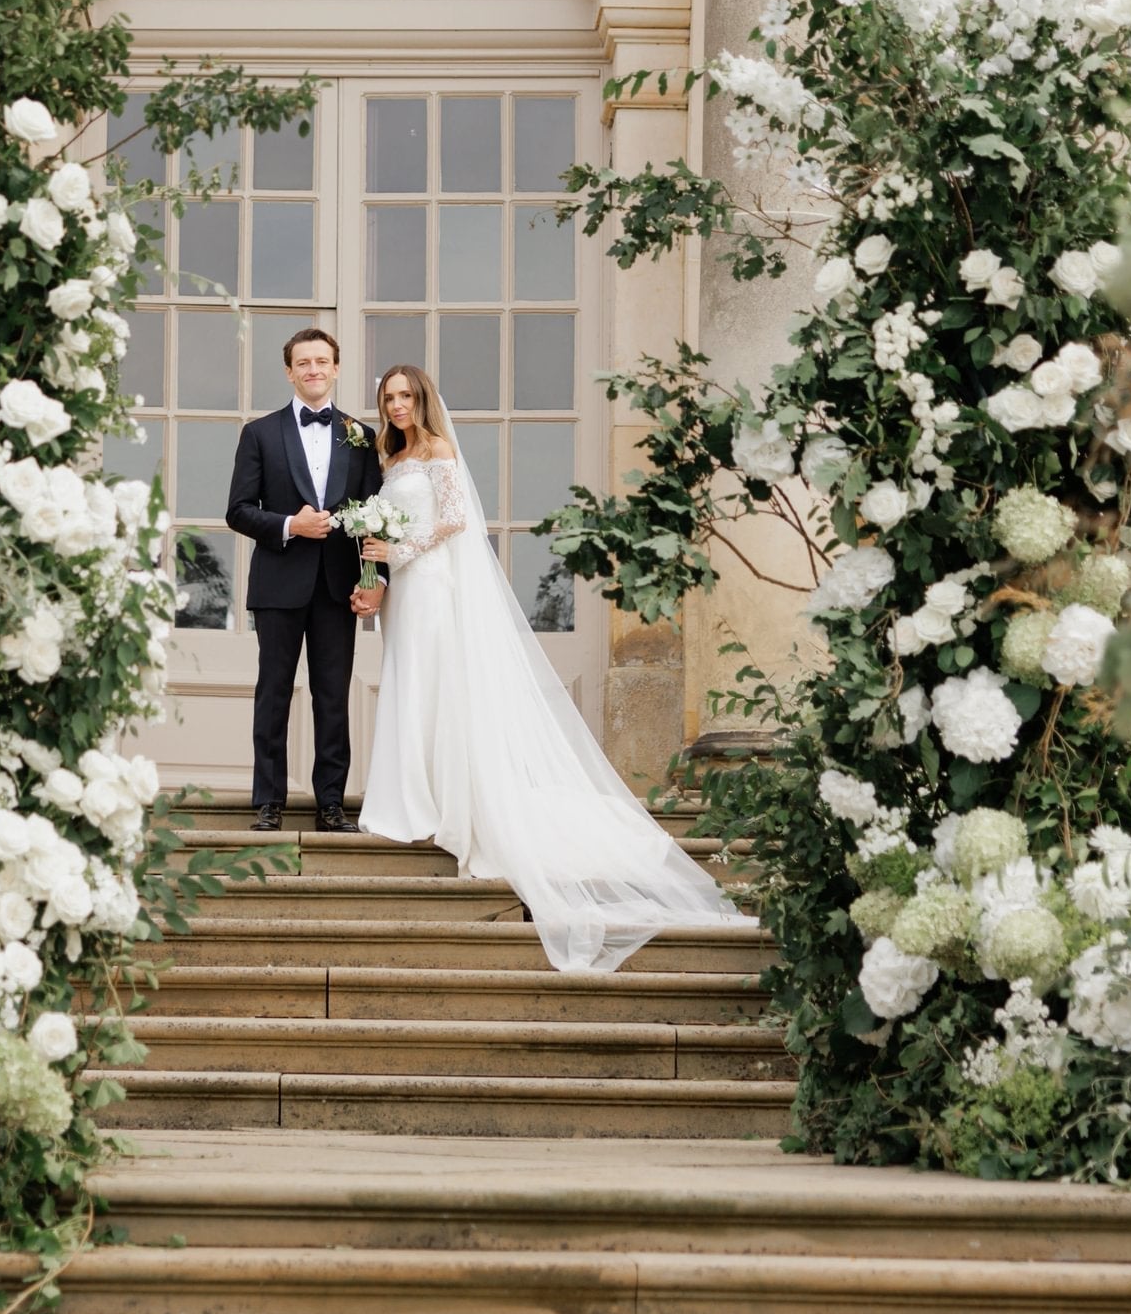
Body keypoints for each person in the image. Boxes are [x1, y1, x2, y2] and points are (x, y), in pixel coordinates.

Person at [357, 363, 745, 972]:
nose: (398, 405)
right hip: (403, 593)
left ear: (424, 399)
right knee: (410, 688)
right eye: (389, 398)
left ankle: (444, 801)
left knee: (435, 688)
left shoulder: (437, 450)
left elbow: (455, 520)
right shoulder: (390, 456)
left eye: (406, 396)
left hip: (430, 585)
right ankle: (412, 797)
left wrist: (398, 551)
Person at [225, 327, 383, 834]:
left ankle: (331, 804)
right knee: (273, 691)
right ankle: (267, 801)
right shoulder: (260, 433)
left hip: (339, 587)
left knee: (332, 696)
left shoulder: (362, 435)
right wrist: (292, 525)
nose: (313, 370)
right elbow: (238, 511)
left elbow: (374, 516)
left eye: (322, 361)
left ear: (336, 368)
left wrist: (373, 579)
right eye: (303, 363)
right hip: (278, 584)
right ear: (289, 372)